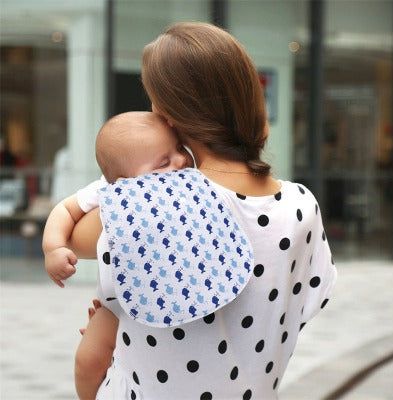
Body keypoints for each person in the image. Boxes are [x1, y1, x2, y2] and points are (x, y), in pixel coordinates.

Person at [68, 22, 338, 400]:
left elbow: (70, 236)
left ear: (167, 114)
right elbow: (303, 303)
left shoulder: (152, 202)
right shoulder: (302, 206)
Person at [42, 111, 193, 399]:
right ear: (125, 181)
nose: (181, 161)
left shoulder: (189, 183)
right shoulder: (108, 190)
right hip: (117, 302)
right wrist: (53, 249)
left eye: (179, 148)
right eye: (164, 162)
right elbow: (65, 210)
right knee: (88, 359)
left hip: (172, 298)